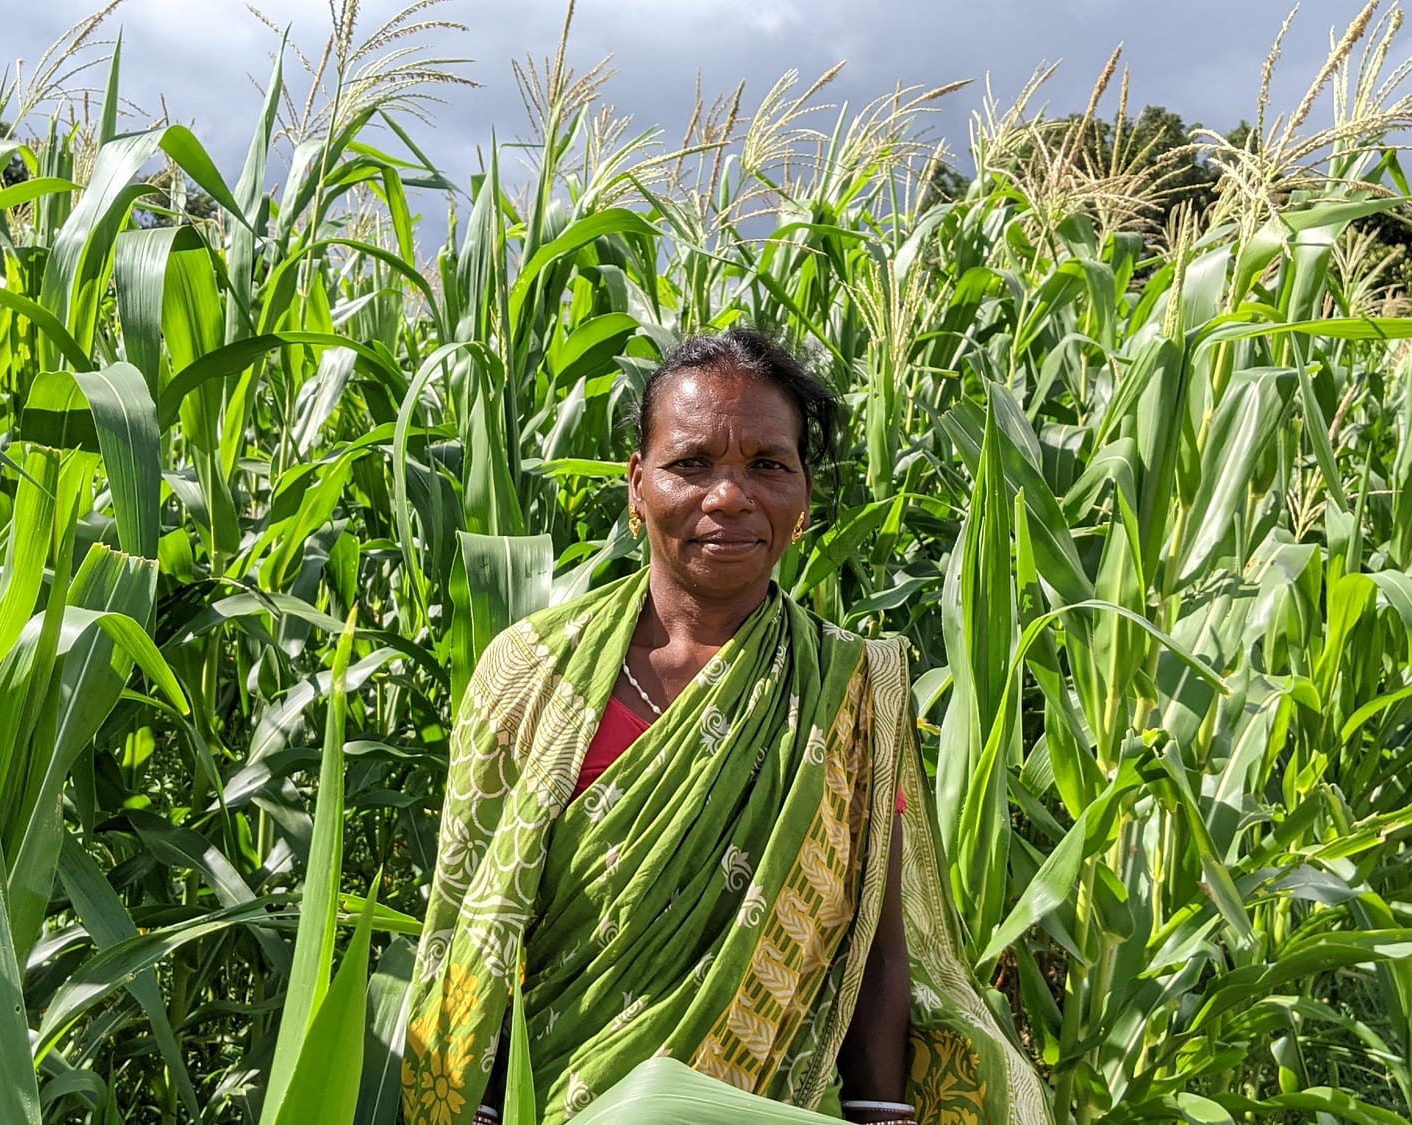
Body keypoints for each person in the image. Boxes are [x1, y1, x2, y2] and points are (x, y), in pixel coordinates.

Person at [401, 329, 1049, 1124]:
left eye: (768, 466)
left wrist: (883, 1112)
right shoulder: (535, 674)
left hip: (761, 1103)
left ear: (805, 496)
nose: (729, 495)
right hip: (562, 1098)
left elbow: (877, 950)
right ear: (638, 486)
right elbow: (479, 930)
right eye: (692, 463)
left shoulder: (851, 691)